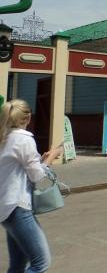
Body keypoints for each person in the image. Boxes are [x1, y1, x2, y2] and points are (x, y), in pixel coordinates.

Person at [0, 99, 63, 272]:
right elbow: (37, 176)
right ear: (28, 118)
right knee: (41, 263)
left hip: (6, 208)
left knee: (18, 264)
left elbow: (18, 168)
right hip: (18, 208)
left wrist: (39, 161)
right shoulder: (24, 139)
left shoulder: (4, 137)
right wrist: (51, 158)